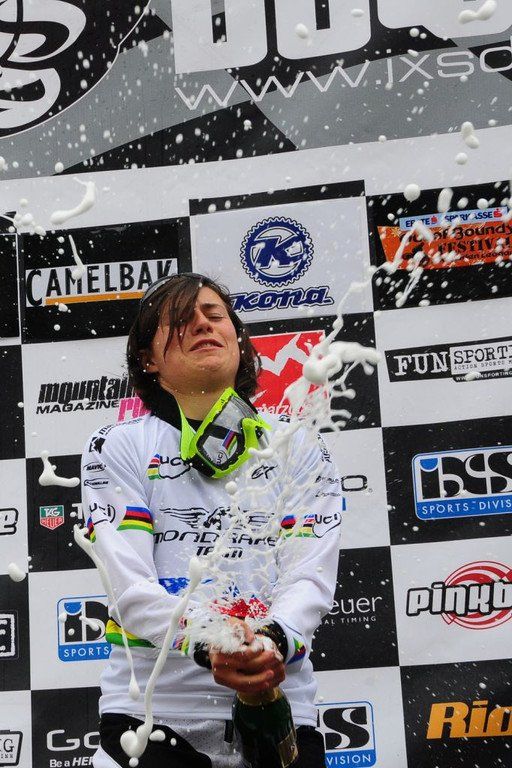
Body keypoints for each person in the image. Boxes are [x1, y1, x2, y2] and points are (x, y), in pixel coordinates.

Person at [82, 272, 342, 768]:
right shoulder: (118, 445)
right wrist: (210, 642)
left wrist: (271, 642)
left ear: (238, 341)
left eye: (215, 314)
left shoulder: (298, 444)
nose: (203, 324)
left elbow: (309, 578)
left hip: (279, 704)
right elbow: (129, 589)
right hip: (154, 712)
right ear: (148, 359)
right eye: (181, 319)